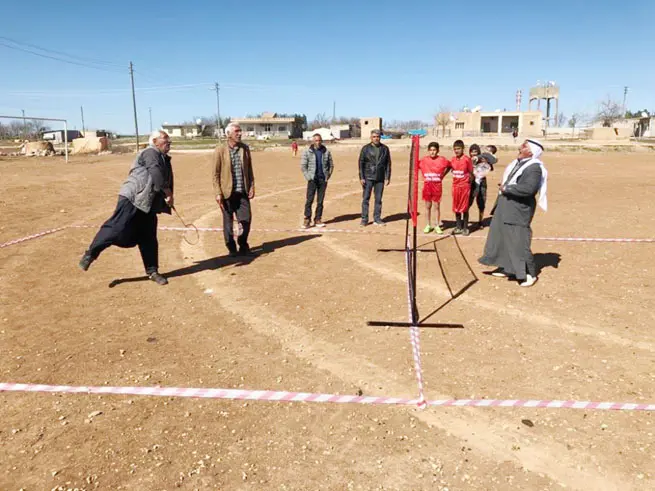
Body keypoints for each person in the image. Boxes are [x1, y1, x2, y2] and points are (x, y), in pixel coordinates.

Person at [78, 130, 174, 285]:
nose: (168, 142)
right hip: (133, 197)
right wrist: (167, 191)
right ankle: (91, 254)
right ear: (155, 141)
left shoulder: (163, 157)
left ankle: (152, 271)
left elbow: (161, 178)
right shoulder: (150, 152)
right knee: (116, 228)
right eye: (165, 139)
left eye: (169, 139)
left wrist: (164, 199)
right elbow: (155, 171)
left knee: (148, 237)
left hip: (147, 203)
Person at [479, 139, 548, 287]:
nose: (522, 146)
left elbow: (529, 189)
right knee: (503, 237)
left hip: (518, 208)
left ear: (531, 151)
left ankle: (529, 273)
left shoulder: (534, 167)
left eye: (525, 145)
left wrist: (507, 189)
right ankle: (508, 268)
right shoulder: (518, 163)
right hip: (506, 204)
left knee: (518, 240)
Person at [213, 122, 256, 256]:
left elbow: (249, 169)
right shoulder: (220, 150)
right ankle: (231, 248)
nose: (239, 133)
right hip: (227, 193)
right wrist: (218, 193)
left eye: (240, 131)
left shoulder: (245, 148)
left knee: (246, 220)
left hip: (242, 191)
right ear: (228, 134)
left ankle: (243, 244)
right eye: (236, 131)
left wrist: (252, 186)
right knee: (228, 222)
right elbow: (215, 174)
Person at [359, 129, 391, 226]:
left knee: (378, 199)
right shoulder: (365, 149)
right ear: (371, 138)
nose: (376, 138)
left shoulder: (385, 148)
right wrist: (361, 177)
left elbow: (388, 163)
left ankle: (377, 218)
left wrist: (387, 176)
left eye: (377, 137)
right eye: (374, 137)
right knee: (366, 199)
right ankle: (364, 219)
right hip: (368, 176)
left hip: (380, 177)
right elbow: (361, 163)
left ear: (380, 138)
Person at [301, 133, 334, 228]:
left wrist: (327, 176)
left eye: (319, 140)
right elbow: (303, 166)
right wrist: (308, 177)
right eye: (316, 140)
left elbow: (331, 165)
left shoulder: (326, 151)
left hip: (322, 179)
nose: (318, 142)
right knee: (309, 200)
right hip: (312, 179)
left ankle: (318, 219)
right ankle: (307, 219)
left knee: (320, 201)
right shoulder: (307, 151)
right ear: (313, 141)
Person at [417, 141, 449, 234]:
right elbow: (416, 165)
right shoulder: (424, 160)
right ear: (428, 151)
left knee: (437, 206)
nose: (432, 152)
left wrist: (443, 175)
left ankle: (437, 225)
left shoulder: (442, 160)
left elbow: (449, 166)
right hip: (427, 186)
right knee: (428, 206)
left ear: (438, 150)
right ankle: (428, 225)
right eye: (430, 150)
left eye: (434, 150)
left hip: (437, 186)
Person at [448, 140, 473, 235]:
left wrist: (469, 184)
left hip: (464, 187)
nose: (456, 151)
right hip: (455, 186)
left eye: (458, 148)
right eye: (455, 149)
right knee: (456, 207)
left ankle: (465, 227)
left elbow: (471, 173)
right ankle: (458, 227)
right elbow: (450, 169)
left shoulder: (467, 159)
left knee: (464, 207)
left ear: (463, 149)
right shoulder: (453, 160)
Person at [469, 149, 497, 229]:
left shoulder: (484, 160)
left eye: (475, 151)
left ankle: (480, 221)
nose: (473, 153)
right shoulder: (469, 160)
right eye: (472, 151)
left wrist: (486, 160)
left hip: (482, 184)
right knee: (468, 203)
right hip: (472, 184)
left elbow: (492, 165)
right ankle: (465, 219)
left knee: (481, 203)